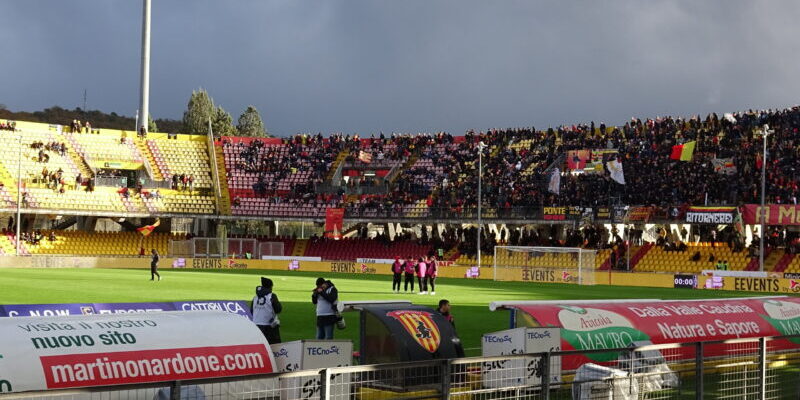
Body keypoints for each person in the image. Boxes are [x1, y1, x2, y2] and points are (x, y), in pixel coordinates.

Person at [252, 277, 282, 343]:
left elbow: (252, 311)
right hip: (269, 326)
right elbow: (278, 309)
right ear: (270, 287)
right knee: (274, 347)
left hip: (256, 325)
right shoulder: (272, 296)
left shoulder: (255, 297)